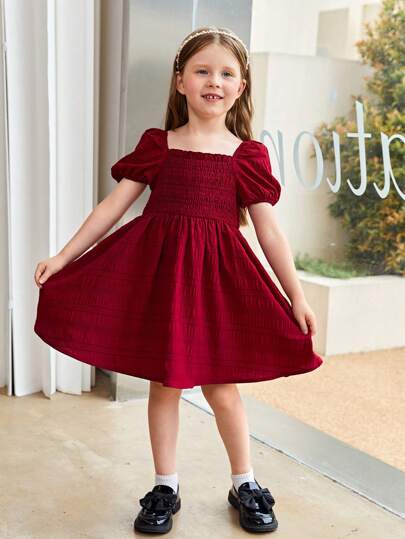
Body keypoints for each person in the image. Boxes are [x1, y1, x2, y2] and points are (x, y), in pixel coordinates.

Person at [34, 25, 324, 534]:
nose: (214, 81)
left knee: (222, 389)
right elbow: (112, 209)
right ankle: (165, 486)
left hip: (217, 289)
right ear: (180, 81)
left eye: (226, 73)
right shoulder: (158, 145)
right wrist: (64, 256)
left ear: (241, 87)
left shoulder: (246, 155)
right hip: (163, 285)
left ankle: (245, 482)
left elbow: (269, 232)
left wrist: (295, 295)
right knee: (165, 386)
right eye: (202, 71)